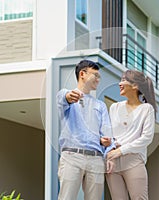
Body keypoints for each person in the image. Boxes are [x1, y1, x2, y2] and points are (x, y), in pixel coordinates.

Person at [56, 59, 115, 200]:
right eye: (95, 75)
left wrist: (107, 143)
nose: (98, 79)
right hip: (72, 156)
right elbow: (63, 98)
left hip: (96, 159)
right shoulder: (68, 96)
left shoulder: (100, 106)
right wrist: (68, 96)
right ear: (82, 74)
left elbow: (107, 134)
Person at [106, 70, 157, 200]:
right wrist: (110, 153)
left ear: (135, 86)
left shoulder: (146, 109)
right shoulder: (115, 107)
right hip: (113, 162)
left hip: (134, 161)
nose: (120, 83)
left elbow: (146, 138)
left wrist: (121, 151)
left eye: (124, 80)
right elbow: (109, 134)